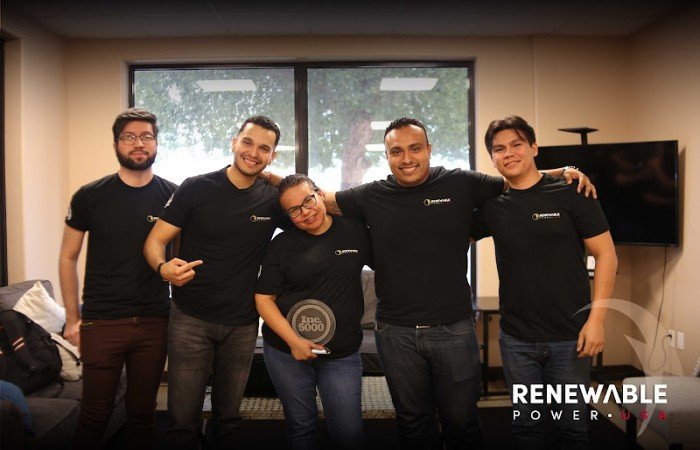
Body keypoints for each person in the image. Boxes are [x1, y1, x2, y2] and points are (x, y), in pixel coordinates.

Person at [314, 117, 595, 449]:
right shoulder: (373, 194)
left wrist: (561, 172)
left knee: (462, 423)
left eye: (415, 148)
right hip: (395, 331)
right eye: (396, 151)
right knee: (412, 423)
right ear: (386, 156)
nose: (407, 158)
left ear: (429, 149)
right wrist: (270, 178)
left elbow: (517, 180)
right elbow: (318, 200)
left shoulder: (460, 182)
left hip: (454, 329)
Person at [143, 115, 288, 449]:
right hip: (190, 319)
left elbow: (314, 203)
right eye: (247, 142)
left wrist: (276, 178)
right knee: (183, 423)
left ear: (272, 156)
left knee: (228, 420)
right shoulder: (196, 187)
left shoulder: (272, 198)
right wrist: (163, 268)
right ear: (234, 143)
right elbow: (154, 241)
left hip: (242, 324)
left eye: (264, 148)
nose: (253, 152)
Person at [473, 115, 618, 449]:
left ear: (534, 147)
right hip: (516, 340)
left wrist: (597, 320)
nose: (508, 153)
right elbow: (447, 229)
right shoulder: (492, 205)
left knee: (572, 429)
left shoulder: (572, 191)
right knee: (528, 429)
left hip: (571, 338)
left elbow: (607, 255)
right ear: (492, 158)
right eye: (499, 149)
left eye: (517, 144)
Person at [59, 108, 176, 449]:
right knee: (94, 415)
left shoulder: (173, 196)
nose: (139, 143)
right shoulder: (89, 196)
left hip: (155, 321)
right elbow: (67, 257)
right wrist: (73, 319)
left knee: (142, 414)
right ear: (116, 144)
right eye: (129, 137)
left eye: (146, 136)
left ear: (156, 143)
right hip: (102, 322)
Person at [255, 174, 371, 450]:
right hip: (286, 352)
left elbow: (393, 261)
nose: (305, 212)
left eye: (308, 201)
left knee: (349, 434)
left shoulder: (355, 232)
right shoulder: (281, 244)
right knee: (301, 430)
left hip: (341, 354)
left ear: (320, 194)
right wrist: (294, 342)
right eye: (294, 210)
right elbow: (264, 299)